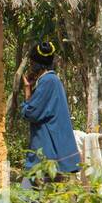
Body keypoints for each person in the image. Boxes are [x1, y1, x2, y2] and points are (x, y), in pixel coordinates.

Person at [20, 41, 80, 187]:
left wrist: (27, 92)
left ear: (35, 63)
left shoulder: (48, 82)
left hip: (46, 153)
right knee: (45, 201)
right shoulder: (51, 81)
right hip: (51, 154)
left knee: (28, 195)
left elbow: (31, 113)